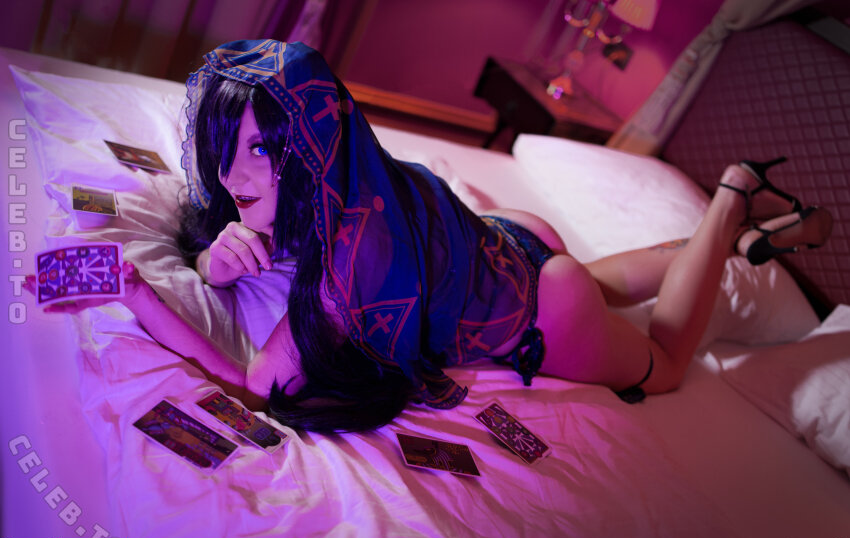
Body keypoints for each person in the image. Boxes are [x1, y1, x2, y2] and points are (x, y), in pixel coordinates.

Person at [33, 40, 834, 433]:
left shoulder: (347, 273)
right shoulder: (346, 170)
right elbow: (239, 224)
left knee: (664, 362)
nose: (233, 175)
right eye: (226, 147)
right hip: (508, 240)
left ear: (302, 152)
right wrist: (214, 257)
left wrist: (135, 291)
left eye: (262, 152)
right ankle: (745, 248)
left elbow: (253, 381)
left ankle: (729, 200)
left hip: (540, 309)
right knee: (589, 276)